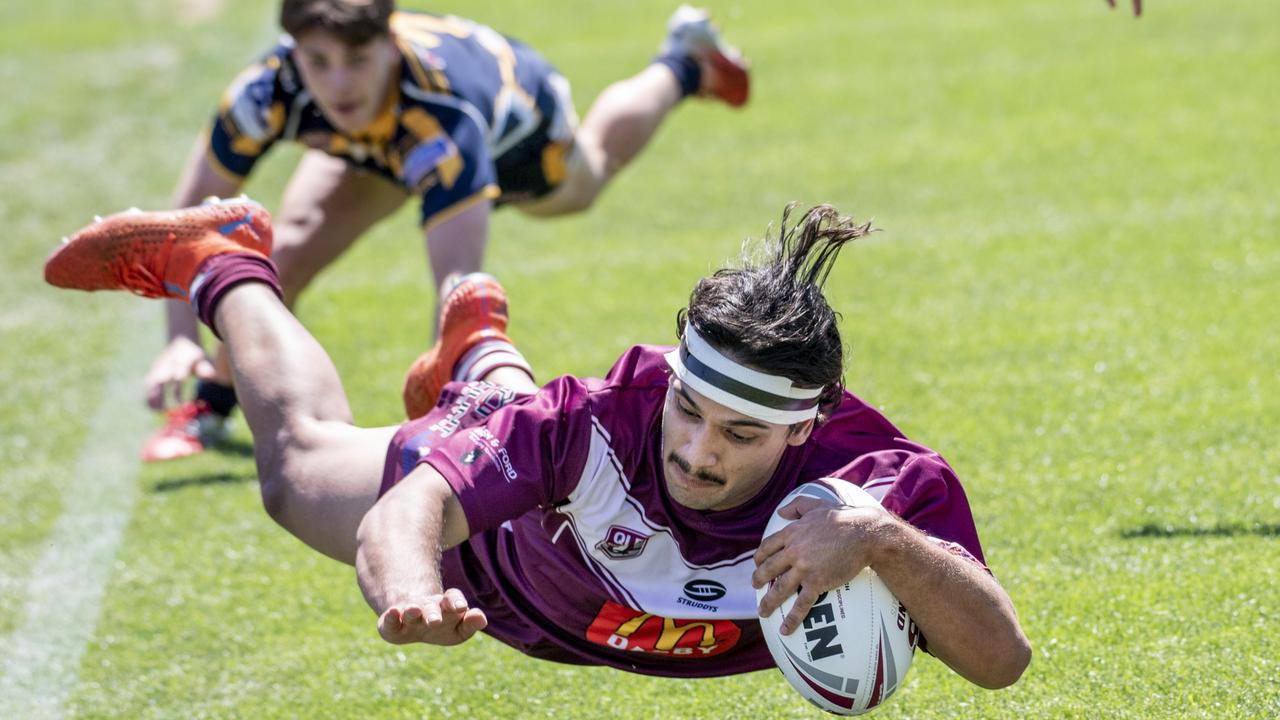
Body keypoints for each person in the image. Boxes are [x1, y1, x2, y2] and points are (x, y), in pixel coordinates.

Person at [44, 198, 1031, 689]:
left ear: (806, 431)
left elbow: (998, 661)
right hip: (493, 561)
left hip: (574, 561)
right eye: (689, 410)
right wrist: (410, 591)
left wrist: (880, 543)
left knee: (489, 428)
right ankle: (222, 261)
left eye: (741, 434)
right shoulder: (596, 420)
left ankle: (478, 349)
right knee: (295, 467)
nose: (696, 451)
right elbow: (407, 513)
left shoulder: (875, 488)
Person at [142, 0, 752, 462]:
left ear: (390, 38)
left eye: (357, 60)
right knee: (288, 250)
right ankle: (210, 403)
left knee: (586, 181)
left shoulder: (447, 120)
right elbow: (188, 216)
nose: (338, 84)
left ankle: (683, 65)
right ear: (292, 51)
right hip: (378, 138)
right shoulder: (267, 88)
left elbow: (458, 291)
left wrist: (454, 427)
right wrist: (178, 337)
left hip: (519, 126)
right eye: (318, 62)